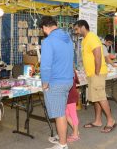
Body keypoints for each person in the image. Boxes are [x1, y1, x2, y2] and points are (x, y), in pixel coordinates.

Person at [74, 20, 117, 133]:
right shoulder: (85, 39)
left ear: (83, 27)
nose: (76, 31)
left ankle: (111, 120)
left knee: (101, 97)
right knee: (96, 98)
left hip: (96, 73)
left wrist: (97, 72)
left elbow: (98, 55)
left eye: (77, 29)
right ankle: (98, 121)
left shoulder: (92, 37)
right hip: (91, 74)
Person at [40, 17, 74, 149]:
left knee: (59, 115)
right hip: (67, 79)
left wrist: (45, 83)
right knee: (61, 111)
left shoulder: (48, 41)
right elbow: (72, 59)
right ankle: (62, 138)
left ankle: (62, 144)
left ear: (44, 27)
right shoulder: (68, 38)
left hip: (56, 82)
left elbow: (45, 66)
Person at [49, 71, 80, 144]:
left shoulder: (65, 72)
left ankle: (75, 134)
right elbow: (77, 81)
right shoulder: (72, 71)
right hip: (69, 96)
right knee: (66, 114)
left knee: (72, 115)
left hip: (70, 97)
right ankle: (76, 131)